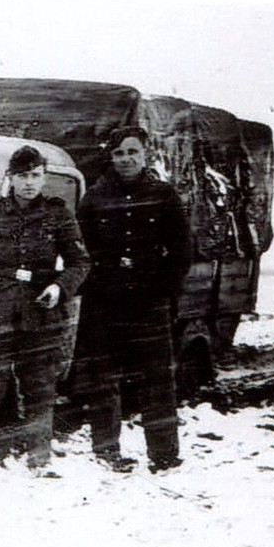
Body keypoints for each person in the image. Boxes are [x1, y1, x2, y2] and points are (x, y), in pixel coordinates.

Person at [0, 145, 91, 470]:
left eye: (35, 175)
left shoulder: (58, 214)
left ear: (43, 177)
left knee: (40, 385)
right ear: (10, 178)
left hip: (41, 311)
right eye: (22, 176)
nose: (29, 183)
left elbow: (80, 262)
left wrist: (59, 287)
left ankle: (38, 456)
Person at [72, 127, 192, 474]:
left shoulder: (163, 194)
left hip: (149, 305)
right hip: (104, 305)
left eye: (132, 152)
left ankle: (164, 455)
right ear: (110, 157)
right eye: (119, 153)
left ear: (145, 154)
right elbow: (80, 250)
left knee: (157, 381)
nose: (126, 159)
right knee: (103, 380)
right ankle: (106, 453)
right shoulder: (95, 198)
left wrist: (162, 290)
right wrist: (96, 285)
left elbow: (183, 250)